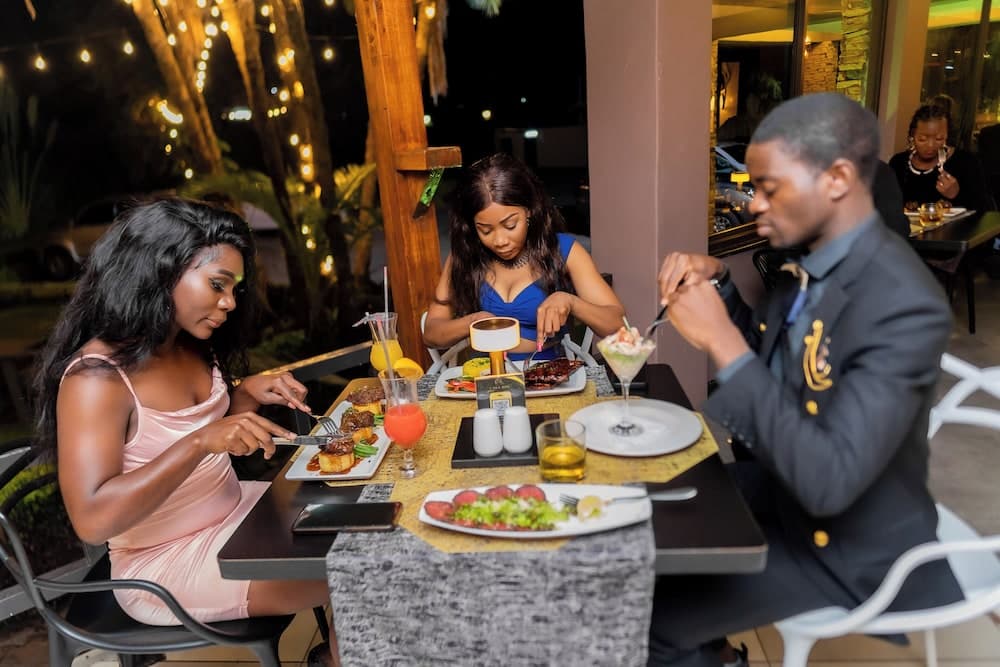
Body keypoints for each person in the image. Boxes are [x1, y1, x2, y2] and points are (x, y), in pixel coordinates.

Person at [650, 93, 963, 666]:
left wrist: (719, 341)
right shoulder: (811, 264)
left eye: (769, 188)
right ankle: (714, 649)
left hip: (845, 545)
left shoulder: (903, 303)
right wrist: (720, 283)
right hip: (781, 485)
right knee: (653, 517)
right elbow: (773, 370)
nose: (753, 204)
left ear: (837, 179)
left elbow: (828, 482)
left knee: (654, 618)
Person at [33, 199, 338, 663]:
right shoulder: (96, 380)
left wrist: (245, 395)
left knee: (360, 525)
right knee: (353, 570)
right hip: (166, 562)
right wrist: (198, 444)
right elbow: (92, 520)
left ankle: (337, 652)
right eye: (218, 284)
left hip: (238, 512)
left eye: (235, 289)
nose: (230, 302)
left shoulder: (187, 342)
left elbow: (206, 434)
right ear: (162, 270)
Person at [422, 153, 625, 361]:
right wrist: (473, 322)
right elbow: (431, 334)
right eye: (485, 230)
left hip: (546, 373)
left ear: (529, 211)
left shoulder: (563, 250)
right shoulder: (466, 254)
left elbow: (617, 326)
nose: (500, 240)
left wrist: (570, 302)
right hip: (484, 373)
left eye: (510, 225)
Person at [888, 104, 992, 212]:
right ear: (912, 137)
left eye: (939, 139)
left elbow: (983, 209)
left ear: (947, 137)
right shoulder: (898, 163)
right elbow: (884, 206)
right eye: (922, 139)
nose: (931, 145)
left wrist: (956, 194)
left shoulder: (966, 162)